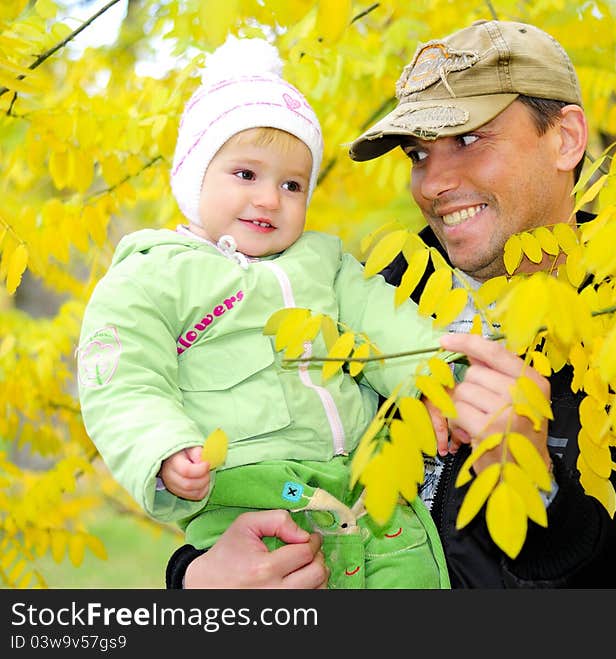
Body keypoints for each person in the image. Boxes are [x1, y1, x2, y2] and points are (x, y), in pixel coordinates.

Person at [166, 19, 616, 589]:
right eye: (418, 154)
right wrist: (196, 578)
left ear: (566, 137)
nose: (433, 183)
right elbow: (270, 472)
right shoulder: (370, 293)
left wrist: (539, 497)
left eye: (469, 139)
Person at [76, 36, 453, 590]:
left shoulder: (324, 263)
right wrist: (162, 449)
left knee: (411, 572)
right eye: (246, 175)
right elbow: (123, 378)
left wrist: (430, 382)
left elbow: (385, 322)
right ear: (194, 176)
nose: (270, 199)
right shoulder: (153, 275)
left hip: (365, 481)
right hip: (252, 493)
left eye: (292, 184)